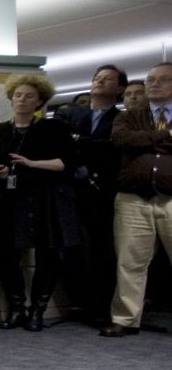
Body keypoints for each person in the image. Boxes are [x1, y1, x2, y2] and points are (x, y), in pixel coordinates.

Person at [0, 73, 81, 331]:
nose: (22, 100)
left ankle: (38, 310)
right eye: (18, 95)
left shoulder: (54, 128)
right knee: (7, 255)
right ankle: (16, 308)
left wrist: (32, 164)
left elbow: (66, 163)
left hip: (44, 198)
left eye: (29, 96)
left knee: (47, 254)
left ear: (39, 101)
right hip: (10, 199)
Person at [101, 62, 172, 337]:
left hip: (170, 199)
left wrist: (146, 140)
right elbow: (122, 141)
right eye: (150, 79)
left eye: (163, 79)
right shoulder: (128, 116)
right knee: (130, 262)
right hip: (133, 199)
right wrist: (165, 135)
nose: (153, 84)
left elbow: (137, 142)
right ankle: (125, 319)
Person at [54, 63, 126, 326]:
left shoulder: (122, 119)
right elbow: (60, 145)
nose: (99, 82)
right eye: (97, 78)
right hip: (71, 189)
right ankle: (80, 302)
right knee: (70, 250)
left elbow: (115, 149)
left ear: (119, 88)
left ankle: (101, 307)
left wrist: (81, 143)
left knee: (102, 251)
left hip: (104, 192)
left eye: (107, 79)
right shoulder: (72, 114)